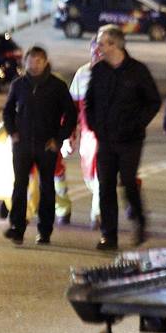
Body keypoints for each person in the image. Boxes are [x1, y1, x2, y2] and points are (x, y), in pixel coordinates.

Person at [85, 24, 162, 251]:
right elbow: (90, 101)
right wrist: (93, 125)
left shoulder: (138, 71)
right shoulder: (99, 71)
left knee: (128, 182)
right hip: (106, 139)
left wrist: (137, 123)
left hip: (130, 139)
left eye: (101, 42)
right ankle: (109, 235)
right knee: (106, 185)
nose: (97, 47)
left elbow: (153, 101)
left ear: (114, 44)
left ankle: (139, 219)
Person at [1, 46, 77, 245]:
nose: (33, 65)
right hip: (22, 145)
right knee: (19, 186)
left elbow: (70, 115)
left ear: (45, 62)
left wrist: (59, 138)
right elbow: (7, 111)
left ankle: (44, 230)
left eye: (38, 61)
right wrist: (13, 132)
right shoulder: (18, 85)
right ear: (25, 61)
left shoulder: (57, 86)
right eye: (30, 60)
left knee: (46, 188)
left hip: (46, 146)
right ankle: (17, 227)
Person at [63, 36, 103, 228]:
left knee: (102, 178)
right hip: (89, 139)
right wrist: (68, 136)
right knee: (90, 178)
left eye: (101, 50)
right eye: (95, 50)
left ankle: (98, 214)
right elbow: (72, 110)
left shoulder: (121, 73)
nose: (97, 54)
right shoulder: (82, 74)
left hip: (112, 138)